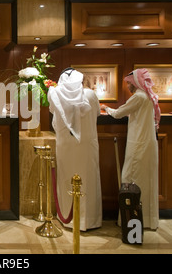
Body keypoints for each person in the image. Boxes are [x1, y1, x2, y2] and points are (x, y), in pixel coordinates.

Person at [101, 68, 161, 230]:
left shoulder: (138, 97)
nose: (128, 87)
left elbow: (118, 113)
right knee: (147, 180)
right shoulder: (147, 97)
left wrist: (105, 108)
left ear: (135, 83)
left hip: (139, 144)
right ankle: (147, 220)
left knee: (131, 178)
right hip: (148, 144)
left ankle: (130, 220)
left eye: (129, 83)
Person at [48, 67, 102, 231]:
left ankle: (67, 219)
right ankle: (89, 220)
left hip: (65, 146)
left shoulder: (55, 94)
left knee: (67, 179)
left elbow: (54, 116)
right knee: (88, 179)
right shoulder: (90, 95)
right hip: (87, 145)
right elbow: (98, 113)